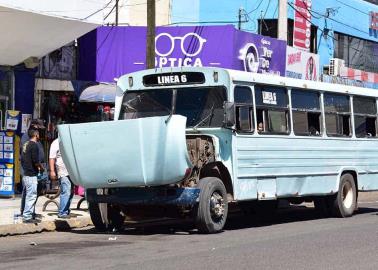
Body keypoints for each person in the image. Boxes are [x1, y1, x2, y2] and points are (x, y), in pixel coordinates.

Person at [20, 119, 46, 216]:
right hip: (29, 169)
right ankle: (25, 212)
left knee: (34, 191)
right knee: (28, 192)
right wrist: (36, 166)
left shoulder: (36, 139)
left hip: (36, 168)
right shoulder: (27, 137)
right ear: (34, 126)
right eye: (39, 128)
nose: (40, 131)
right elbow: (25, 154)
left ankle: (30, 211)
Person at [49, 137, 73, 219]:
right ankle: (62, 212)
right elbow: (52, 157)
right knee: (66, 190)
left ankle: (66, 210)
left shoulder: (70, 140)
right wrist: (52, 171)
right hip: (63, 170)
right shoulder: (56, 142)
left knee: (71, 191)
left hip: (72, 170)